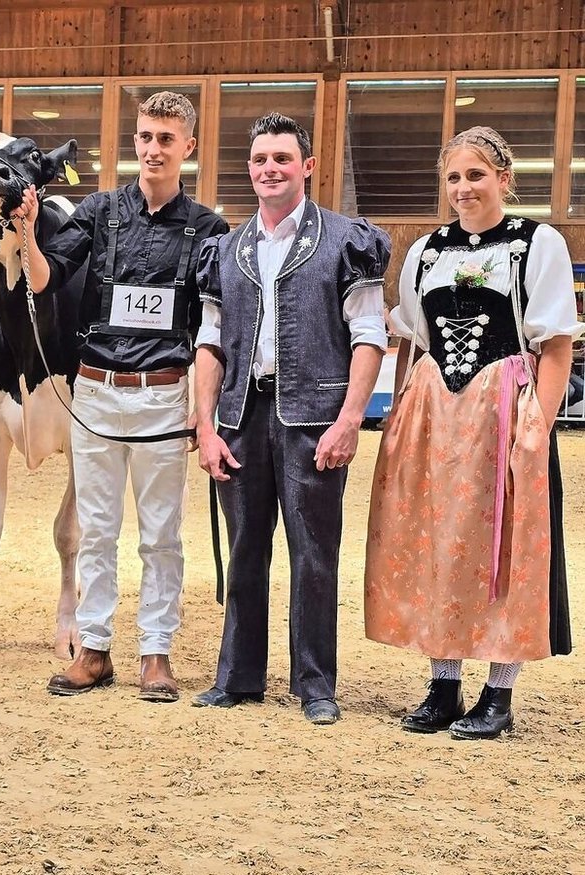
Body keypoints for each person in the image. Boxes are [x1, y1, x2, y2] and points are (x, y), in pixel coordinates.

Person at [13, 92, 228, 700]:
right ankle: (95, 649)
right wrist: (27, 234)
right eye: (144, 137)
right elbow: (45, 277)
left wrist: (202, 410)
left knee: (161, 535)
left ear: (188, 147)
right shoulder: (100, 210)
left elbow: (214, 323)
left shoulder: (209, 228)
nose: (153, 149)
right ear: (133, 143)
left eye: (166, 139)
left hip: (164, 395)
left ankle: (156, 654)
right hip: (98, 392)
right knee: (97, 530)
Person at [364, 126, 578, 740]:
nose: (463, 188)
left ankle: (499, 691)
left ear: (504, 179)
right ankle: (443, 682)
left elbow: (556, 342)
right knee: (439, 538)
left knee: (506, 542)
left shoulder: (537, 244)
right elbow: (412, 334)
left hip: (505, 404)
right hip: (438, 408)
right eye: (454, 177)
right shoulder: (427, 251)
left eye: (476, 175)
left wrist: (540, 420)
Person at [191, 112, 391, 725]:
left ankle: (315, 683)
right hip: (241, 416)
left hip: (314, 417)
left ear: (306, 166)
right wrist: (204, 425)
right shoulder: (226, 249)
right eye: (259, 160)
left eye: (281, 158)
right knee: (245, 546)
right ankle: (239, 676)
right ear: (248, 169)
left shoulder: (344, 239)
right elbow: (210, 342)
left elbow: (369, 334)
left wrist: (351, 418)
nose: (269, 169)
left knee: (314, 553)